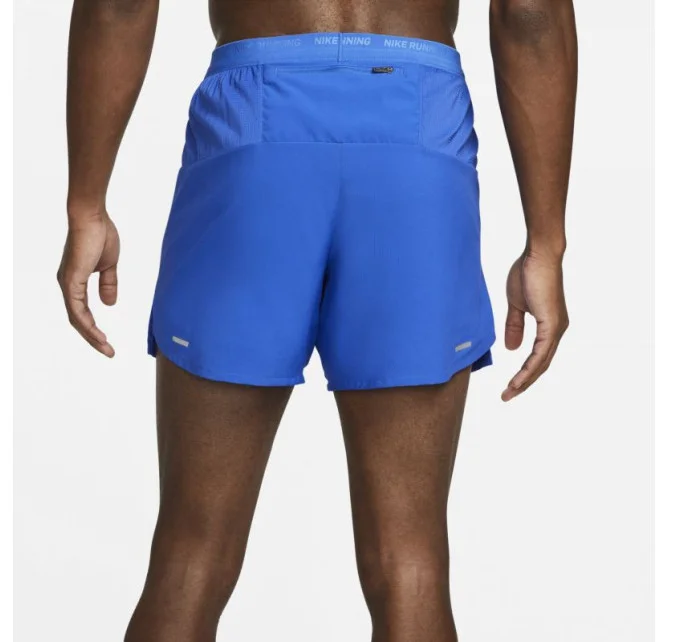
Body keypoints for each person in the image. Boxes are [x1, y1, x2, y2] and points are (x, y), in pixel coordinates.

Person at [57, 0, 576, 639]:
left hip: (255, 128)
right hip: (415, 131)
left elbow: (119, 5)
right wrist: (545, 242)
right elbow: (530, 10)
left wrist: (86, 204)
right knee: (409, 560)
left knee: (191, 553)